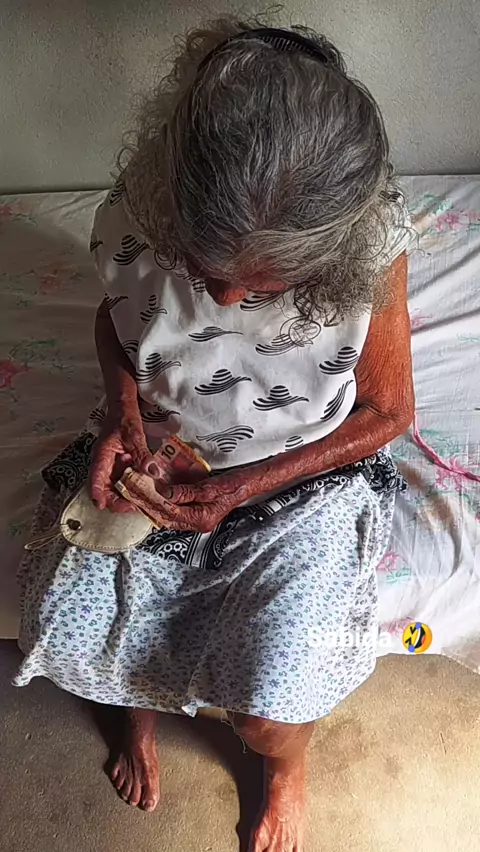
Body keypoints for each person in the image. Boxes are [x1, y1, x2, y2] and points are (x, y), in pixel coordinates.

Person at [14, 19, 415, 852]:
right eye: (205, 270)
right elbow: (120, 322)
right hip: (166, 447)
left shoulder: (369, 245)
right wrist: (123, 414)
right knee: (74, 623)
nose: (227, 301)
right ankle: (136, 712)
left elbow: (387, 412)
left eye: (262, 285)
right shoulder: (134, 217)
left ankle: (285, 764)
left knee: (273, 702)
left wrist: (241, 488)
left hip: (303, 477)